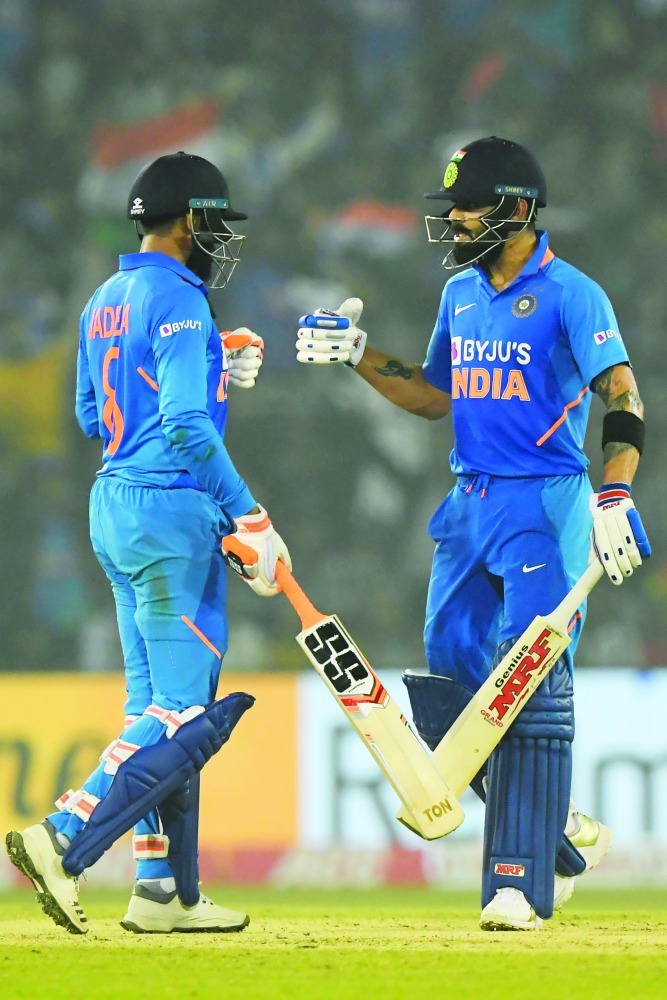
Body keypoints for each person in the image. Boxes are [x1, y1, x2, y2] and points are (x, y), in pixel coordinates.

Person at [295, 136, 650, 931]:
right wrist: (356, 353)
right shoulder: (459, 291)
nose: (452, 219)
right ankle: (557, 834)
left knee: (522, 680)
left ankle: (517, 884)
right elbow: (432, 396)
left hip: (543, 502)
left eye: (470, 206)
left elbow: (620, 393)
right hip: (468, 504)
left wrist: (615, 492)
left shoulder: (572, 294)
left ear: (518, 210)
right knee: (453, 678)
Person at [6, 151, 291, 935]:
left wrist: (209, 363)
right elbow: (187, 426)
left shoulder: (105, 295)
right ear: (191, 220)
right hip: (170, 514)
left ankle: (160, 889)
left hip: (114, 504)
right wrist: (250, 516)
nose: (219, 241)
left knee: (155, 706)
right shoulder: (178, 299)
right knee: (180, 710)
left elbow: (95, 416)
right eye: (215, 226)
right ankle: (61, 835)